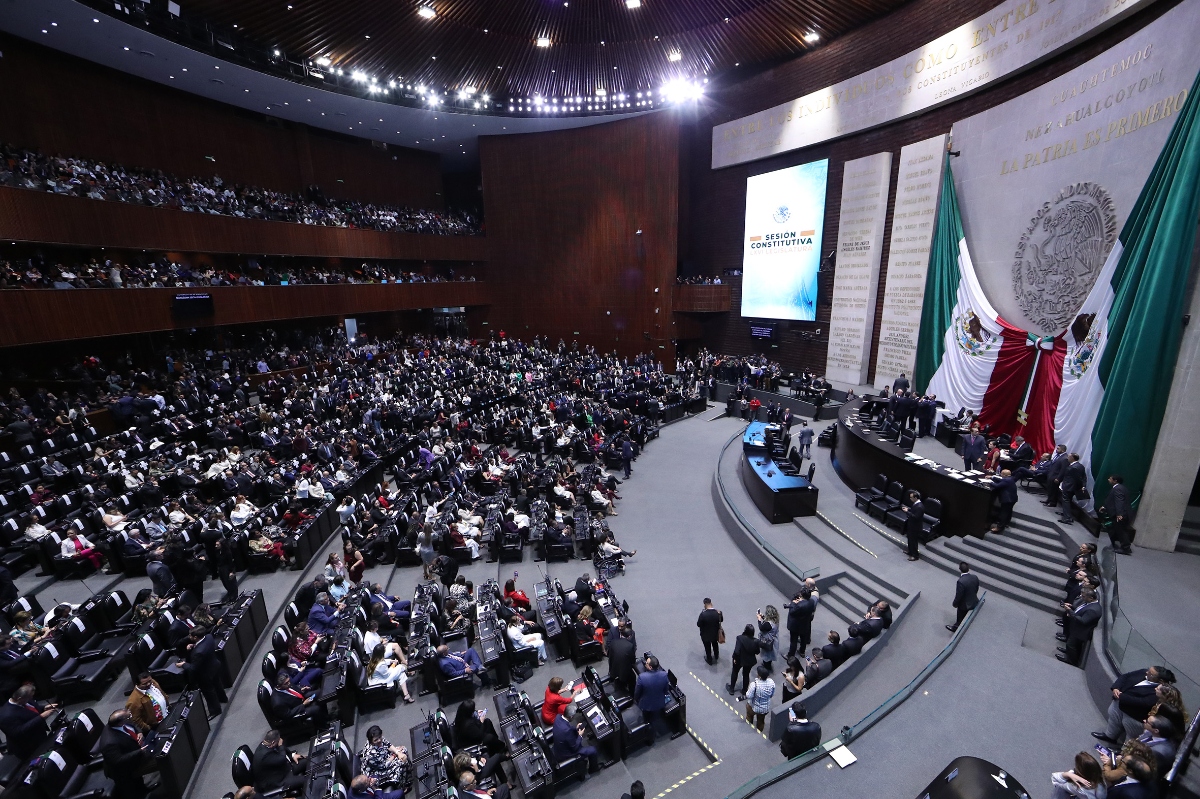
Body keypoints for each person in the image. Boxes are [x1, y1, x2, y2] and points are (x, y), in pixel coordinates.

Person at [1092, 665, 1174, 745]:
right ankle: (1109, 736)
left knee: (1131, 736)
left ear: (1160, 681)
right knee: (1114, 718)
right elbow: (1126, 676)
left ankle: (1123, 753)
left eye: (1150, 673)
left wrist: (1121, 696)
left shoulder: (1160, 692)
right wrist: (1116, 687)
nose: (1146, 672)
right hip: (1122, 704)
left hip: (1135, 717)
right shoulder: (1143, 672)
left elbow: (1144, 702)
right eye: (1149, 670)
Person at [101, 710, 155, 799]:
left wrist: (139, 732)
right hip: (123, 770)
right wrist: (139, 751)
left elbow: (133, 725)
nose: (131, 718)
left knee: (139, 781)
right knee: (133, 790)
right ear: (120, 722)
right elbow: (118, 760)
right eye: (128, 717)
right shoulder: (109, 742)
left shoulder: (119, 723)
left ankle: (144, 790)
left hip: (133, 753)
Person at [177, 626, 228, 716]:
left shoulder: (198, 652)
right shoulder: (208, 637)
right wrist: (193, 646)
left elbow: (193, 668)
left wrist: (183, 664)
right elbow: (202, 647)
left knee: (209, 692)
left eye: (190, 636)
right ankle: (223, 698)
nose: (189, 637)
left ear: (196, 637)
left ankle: (215, 711)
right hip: (214, 666)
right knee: (217, 684)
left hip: (205, 674)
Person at [0, 685, 55, 759]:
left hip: (39, 737)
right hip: (28, 747)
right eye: (30, 697)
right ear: (19, 698)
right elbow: (18, 732)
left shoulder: (24, 699)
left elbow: (31, 708)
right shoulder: (6, 716)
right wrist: (41, 717)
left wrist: (44, 707)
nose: (31, 698)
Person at [253, 729, 307, 795]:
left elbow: (281, 754)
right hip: (278, 781)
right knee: (307, 780)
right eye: (278, 741)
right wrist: (280, 745)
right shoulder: (264, 756)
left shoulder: (268, 744)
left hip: (284, 769)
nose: (280, 741)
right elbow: (282, 759)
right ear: (273, 742)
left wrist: (292, 755)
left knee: (307, 760)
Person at [1057, 588, 1101, 666]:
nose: (1082, 597)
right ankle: (1068, 653)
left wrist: (1070, 611)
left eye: (1084, 596)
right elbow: (1081, 611)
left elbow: (1083, 621)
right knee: (1070, 645)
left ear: (1091, 598)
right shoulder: (1089, 603)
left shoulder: (1093, 610)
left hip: (1080, 632)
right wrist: (1072, 607)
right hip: (1076, 629)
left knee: (1071, 645)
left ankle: (1071, 661)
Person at [551, 705, 599, 773]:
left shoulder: (558, 717)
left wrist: (576, 728)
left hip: (558, 747)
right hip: (566, 753)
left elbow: (567, 728)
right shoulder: (566, 731)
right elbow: (575, 748)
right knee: (593, 750)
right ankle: (593, 769)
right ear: (571, 717)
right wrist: (580, 736)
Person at [634, 655, 670, 736]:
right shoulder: (664, 675)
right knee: (654, 718)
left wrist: (636, 700)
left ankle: (648, 732)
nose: (645, 664)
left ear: (650, 667)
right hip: (659, 703)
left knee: (647, 719)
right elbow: (666, 690)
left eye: (646, 663)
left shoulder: (642, 677)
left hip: (646, 705)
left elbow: (637, 693)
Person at [1100, 475, 1133, 555]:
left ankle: (1126, 548)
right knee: (1114, 529)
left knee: (1121, 531)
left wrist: (1119, 514)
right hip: (1120, 513)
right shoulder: (1121, 488)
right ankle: (1113, 544)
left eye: (1110, 478)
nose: (1108, 479)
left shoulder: (1118, 489)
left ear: (1115, 481)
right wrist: (1105, 507)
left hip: (1121, 514)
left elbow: (1119, 501)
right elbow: (1112, 500)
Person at [729, 624, 760, 699]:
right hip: (749, 661)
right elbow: (757, 652)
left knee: (735, 672)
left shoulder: (740, 638)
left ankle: (732, 689)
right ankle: (744, 690)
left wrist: (735, 659)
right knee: (746, 674)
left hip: (739, 659)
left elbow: (737, 651)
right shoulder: (756, 641)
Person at [785, 588, 816, 659]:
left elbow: (792, 612)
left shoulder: (799, 605)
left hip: (796, 626)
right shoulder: (812, 601)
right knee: (803, 638)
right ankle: (802, 651)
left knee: (793, 641)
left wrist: (793, 603)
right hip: (805, 624)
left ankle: (790, 655)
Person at [744, 665, 775, 732]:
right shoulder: (771, 682)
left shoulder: (754, 684)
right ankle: (759, 733)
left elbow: (748, 695)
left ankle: (748, 727)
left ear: (759, 675)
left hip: (753, 707)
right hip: (765, 709)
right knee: (761, 721)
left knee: (749, 715)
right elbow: (771, 695)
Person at [607, 626, 637, 696]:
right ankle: (631, 695)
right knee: (633, 678)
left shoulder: (613, 642)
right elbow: (632, 660)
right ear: (629, 636)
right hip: (623, 672)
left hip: (613, 669)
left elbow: (610, 655)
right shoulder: (630, 646)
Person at [1058, 453, 1086, 524]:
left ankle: (1067, 518)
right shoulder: (1081, 466)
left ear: (1072, 458)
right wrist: (1083, 486)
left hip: (1069, 487)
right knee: (1068, 501)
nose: (1067, 458)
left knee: (1066, 501)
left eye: (1069, 457)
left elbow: (1078, 479)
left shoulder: (1074, 467)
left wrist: (1080, 486)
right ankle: (1067, 514)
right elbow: (1084, 477)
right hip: (1072, 487)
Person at [697, 598, 723, 664]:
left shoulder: (703, 614)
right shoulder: (718, 613)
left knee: (707, 647)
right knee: (715, 644)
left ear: (704, 604)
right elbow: (721, 620)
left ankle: (709, 660)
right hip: (715, 634)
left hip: (705, 635)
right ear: (711, 603)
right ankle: (716, 656)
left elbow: (698, 624)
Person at [902, 490, 924, 561]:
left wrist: (907, 512)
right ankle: (910, 551)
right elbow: (914, 510)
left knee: (913, 541)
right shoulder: (916, 504)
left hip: (915, 527)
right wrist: (909, 509)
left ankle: (915, 555)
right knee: (910, 539)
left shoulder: (920, 507)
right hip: (911, 525)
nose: (910, 499)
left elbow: (915, 517)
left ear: (915, 498)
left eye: (911, 497)